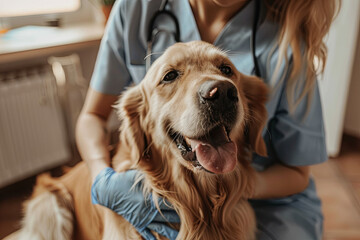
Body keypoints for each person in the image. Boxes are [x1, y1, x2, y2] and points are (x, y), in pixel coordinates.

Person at [76, 0, 340, 239]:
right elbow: (92, 116)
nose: (216, 90)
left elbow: (298, 173)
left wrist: (242, 185)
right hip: (146, 194)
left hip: (267, 196)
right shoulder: (137, 7)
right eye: (170, 76)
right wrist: (103, 180)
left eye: (225, 70)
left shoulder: (288, 39)